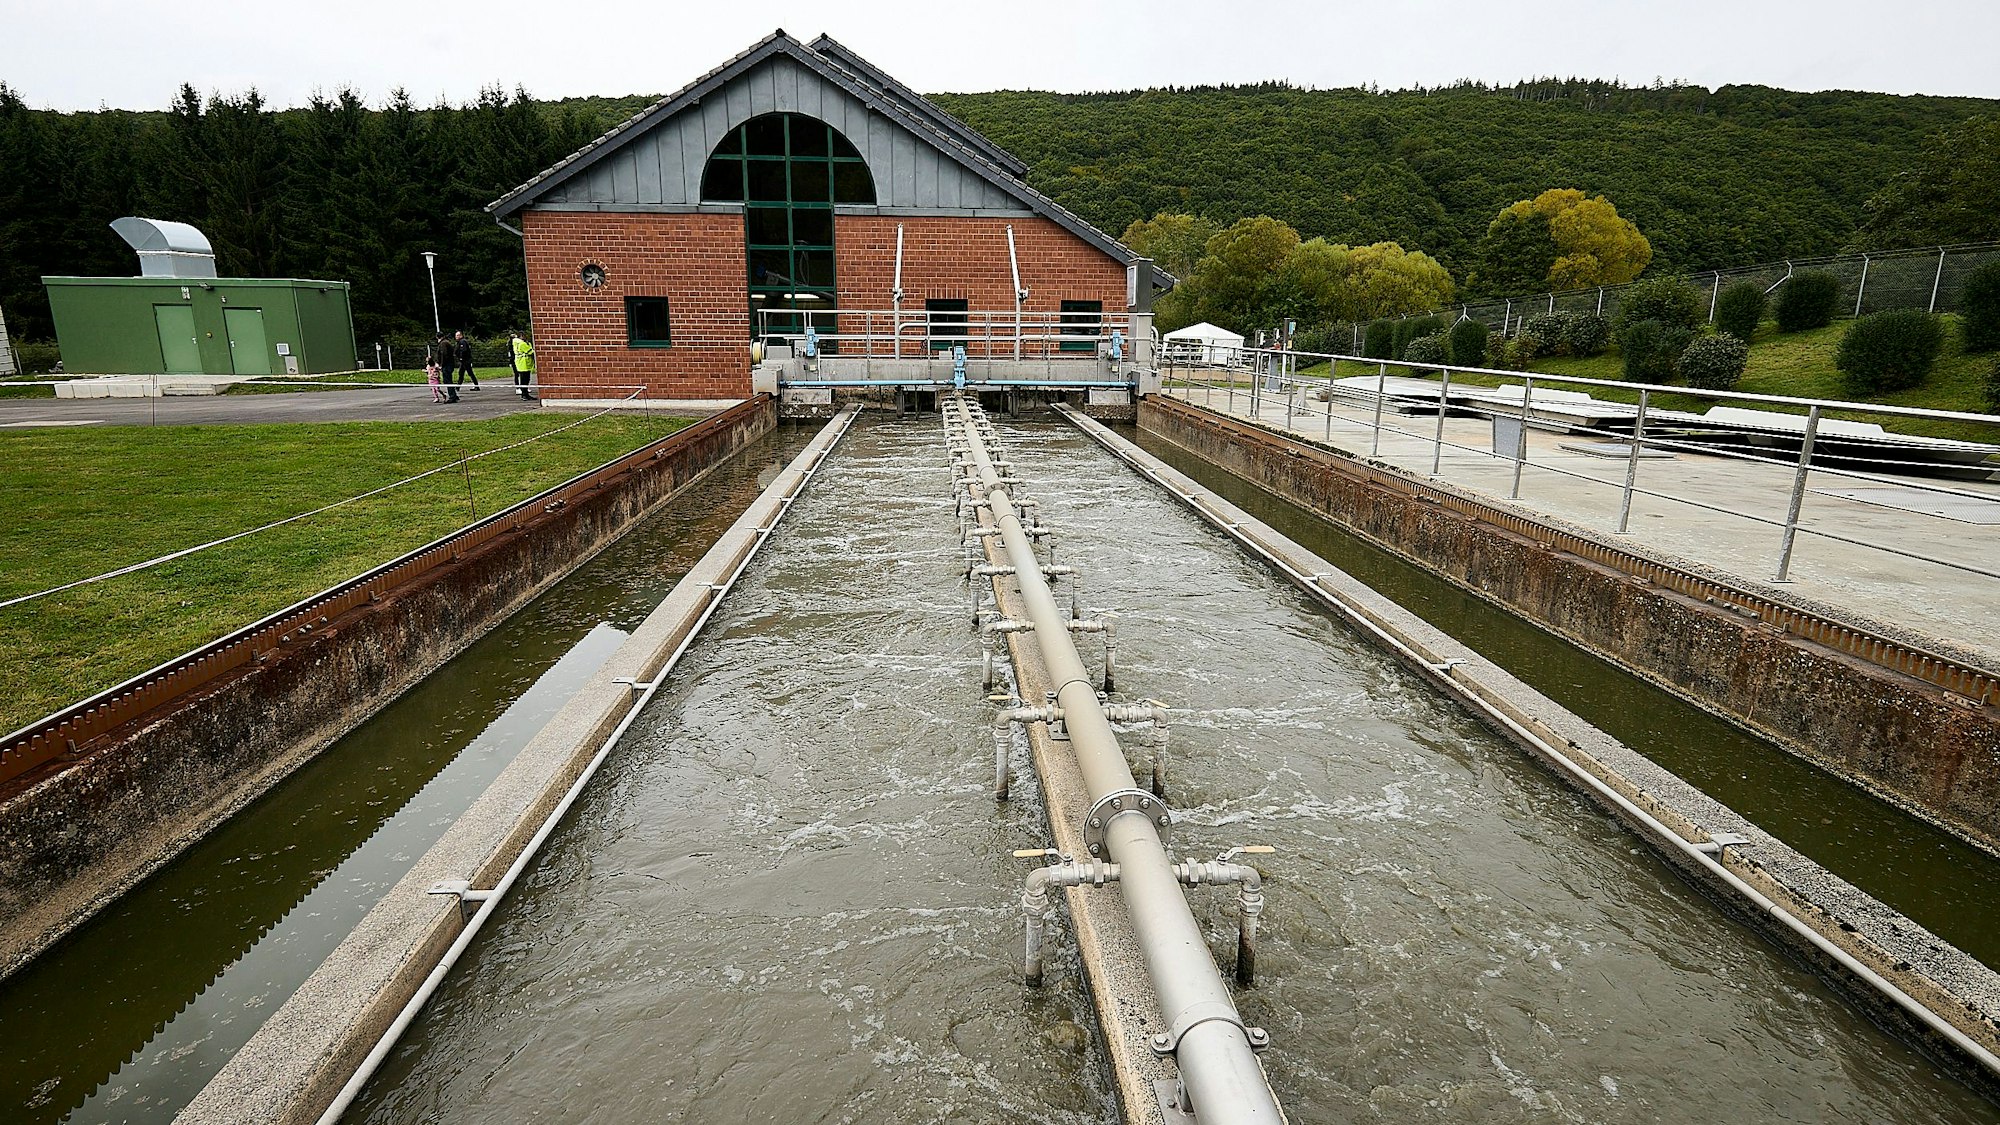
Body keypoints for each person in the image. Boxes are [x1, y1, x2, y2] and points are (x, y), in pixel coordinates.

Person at [509, 331, 536, 400]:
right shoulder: (522, 344)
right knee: (525, 379)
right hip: (524, 363)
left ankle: (525, 394)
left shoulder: (516, 343)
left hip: (520, 363)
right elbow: (530, 351)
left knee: (523, 379)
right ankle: (524, 394)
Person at [431, 334, 458, 402]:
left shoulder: (443, 344)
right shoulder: (446, 342)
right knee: (448, 380)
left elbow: (444, 355)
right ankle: (454, 395)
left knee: (447, 381)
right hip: (449, 364)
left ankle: (452, 396)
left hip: (446, 365)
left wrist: (441, 364)